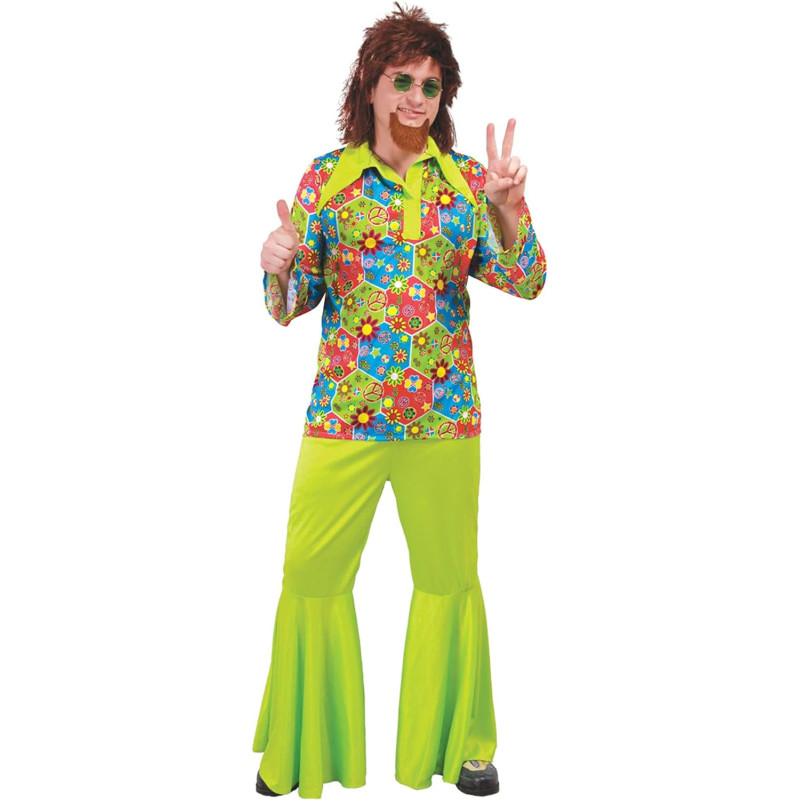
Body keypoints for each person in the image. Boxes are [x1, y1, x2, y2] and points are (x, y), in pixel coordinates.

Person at [253, 4, 546, 798]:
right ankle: (301, 752)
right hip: (343, 417)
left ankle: (464, 746)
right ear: (371, 84)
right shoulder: (328, 178)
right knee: (310, 574)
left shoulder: (465, 184)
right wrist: (277, 263)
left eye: (431, 84)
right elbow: (291, 305)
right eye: (402, 80)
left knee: (449, 580)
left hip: (444, 418)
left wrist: (509, 211)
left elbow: (526, 281)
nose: (417, 97)